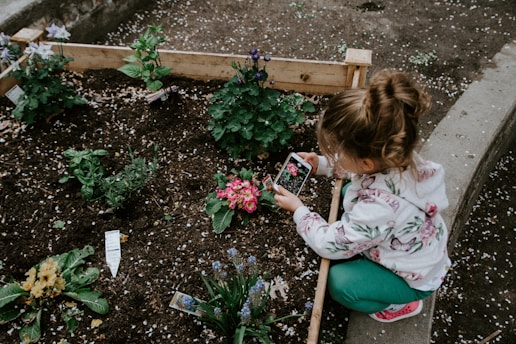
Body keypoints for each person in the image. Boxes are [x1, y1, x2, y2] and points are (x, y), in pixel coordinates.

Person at [274, 69, 451, 323]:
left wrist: (300, 210)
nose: (335, 154)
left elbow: (329, 244)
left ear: (367, 162)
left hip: (411, 277)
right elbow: (358, 171)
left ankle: (398, 304)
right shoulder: (399, 157)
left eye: (337, 150)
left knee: (340, 283)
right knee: (349, 191)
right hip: (416, 247)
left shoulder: (379, 209)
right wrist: (322, 165)